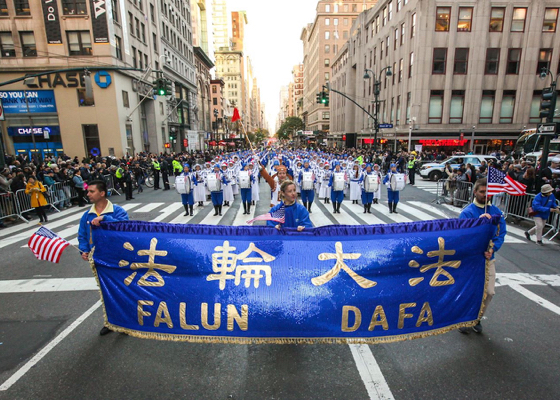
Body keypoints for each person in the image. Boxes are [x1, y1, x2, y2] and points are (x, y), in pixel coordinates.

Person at [77, 180, 129, 336]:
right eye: (88, 191)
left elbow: (124, 227)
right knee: (105, 290)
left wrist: (105, 219)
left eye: (91, 191)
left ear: (102, 193)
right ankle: (111, 321)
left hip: (116, 257)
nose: (88, 194)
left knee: (121, 288)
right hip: (98, 258)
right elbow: (82, 235)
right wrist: (84, 250)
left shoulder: (117, 211)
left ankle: (126, 320)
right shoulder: (87, 214)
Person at [458, 178, 507, 334]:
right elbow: (462, 236)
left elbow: (501, 233)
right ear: (475, 192)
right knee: (469, 291)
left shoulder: (496, 212)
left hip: (487, 259)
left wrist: (493, 248)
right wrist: (477, 225)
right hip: (471, 260)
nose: (486, 195)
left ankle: (477, 318)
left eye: (488, 192)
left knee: (489, 292)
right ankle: (464, 318)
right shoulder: (467, 212)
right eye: (482, 192)